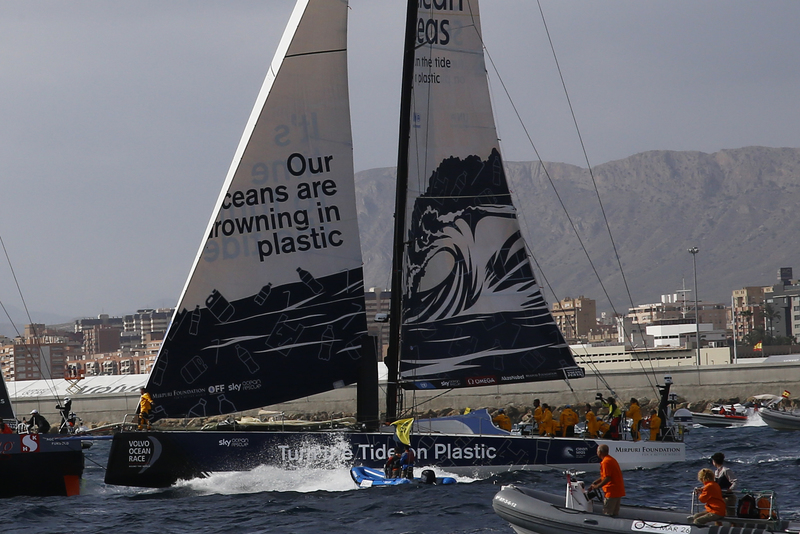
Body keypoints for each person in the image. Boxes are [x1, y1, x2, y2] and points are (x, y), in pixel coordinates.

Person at [588, 444, 625, 516]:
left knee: (607, 513)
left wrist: (597, 486)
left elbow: (607, 478)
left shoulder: (605, 462)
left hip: (611, 492)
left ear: (600, 452)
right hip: (618, 491)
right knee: (615, 514)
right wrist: (595, 482)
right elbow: (606, 476)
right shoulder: (611, 460)